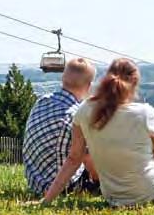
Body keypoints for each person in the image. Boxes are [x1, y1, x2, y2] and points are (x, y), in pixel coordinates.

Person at [44, 58, 154, 207]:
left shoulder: (84, 110)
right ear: (134, 84)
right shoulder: (145, 113)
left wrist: (47, 200)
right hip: (153, 191)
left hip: (112, 197)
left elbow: (74, 159)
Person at [23, 58, 98, 195]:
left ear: (63, 78)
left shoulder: (42, 101)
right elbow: (87, 157)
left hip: (35, 181)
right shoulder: (76, 115)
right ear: (89, 86)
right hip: (62, 186)